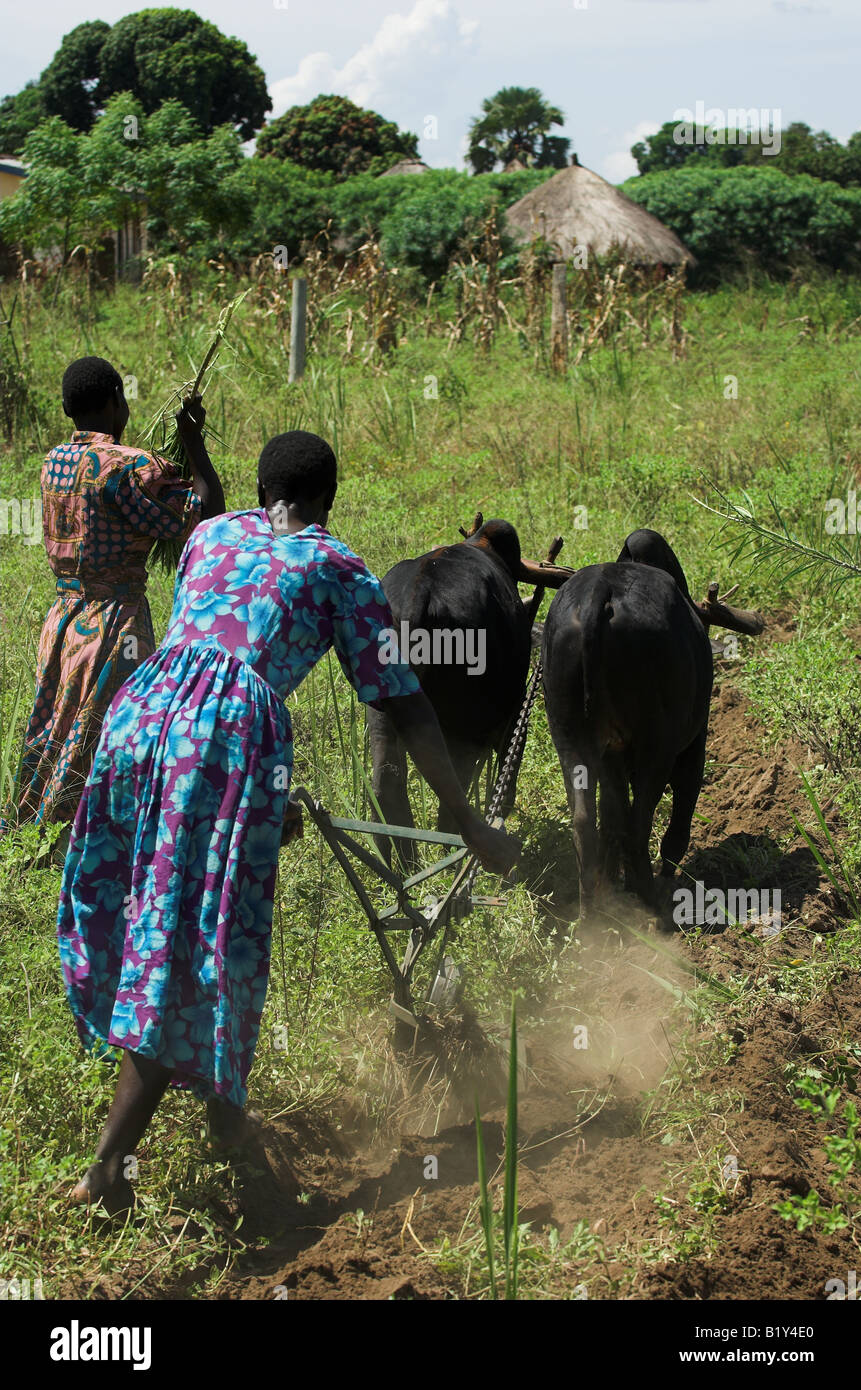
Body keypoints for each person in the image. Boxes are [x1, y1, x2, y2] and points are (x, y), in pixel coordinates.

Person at [58, 430, 519, 1214]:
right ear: (328, 500)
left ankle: (228, 1126)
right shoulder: (338, 566)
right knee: (186, 946)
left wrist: (258, 805)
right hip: (220, 744)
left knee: (163, 924)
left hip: (139, 720)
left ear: (261, 488)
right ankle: (109, 1168)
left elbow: (209, 643)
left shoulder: (211, 533)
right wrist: (468, 820)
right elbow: (402, 702)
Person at [18, 356, 225, 828]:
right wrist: (193, 443)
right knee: (118, 734)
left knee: (61, 733)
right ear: (116, 400)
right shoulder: (131, 468)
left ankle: (46, 829)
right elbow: (207, 516)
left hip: (63, 622)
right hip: (116, 625)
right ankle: (100, 834)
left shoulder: (55, 461)